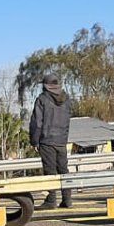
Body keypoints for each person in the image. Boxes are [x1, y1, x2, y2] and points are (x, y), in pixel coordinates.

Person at [29, 74, 72, 209]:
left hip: (47, 140)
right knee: (63, 170)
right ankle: (67, 199)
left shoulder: (42, 99)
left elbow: (37, 123)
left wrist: (35, 141)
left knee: (50, 171)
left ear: (45, 85)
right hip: (62, 140)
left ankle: (51, 200)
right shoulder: (67, 99)